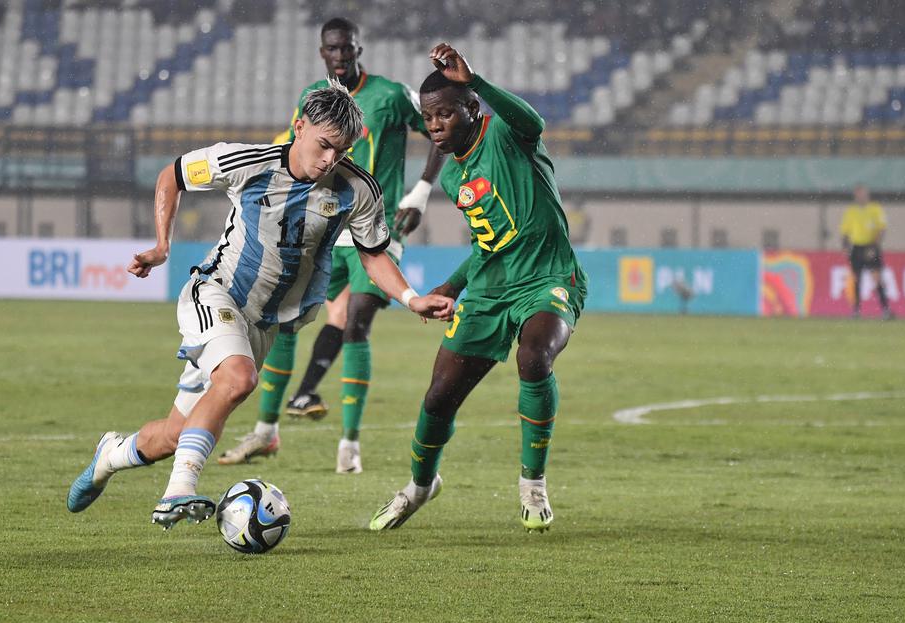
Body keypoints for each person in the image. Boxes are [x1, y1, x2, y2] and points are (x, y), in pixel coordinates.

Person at [65, 83, 454, 530]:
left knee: (176, 434)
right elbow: (172, 174)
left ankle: (110, 455)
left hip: (264, 323)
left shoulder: (358, 189)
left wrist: (410, 298)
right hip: (215, 293)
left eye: (342, 151)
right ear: (300, 126)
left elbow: (373, 251)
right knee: (239, 378)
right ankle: (178, 492)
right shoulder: (247, 161)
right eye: (324, 145)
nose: (330, 160)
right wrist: (161, 245)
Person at [369, 43, 587, 533]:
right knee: (438, 397)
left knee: (533, 356)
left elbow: (534, 121)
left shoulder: (509, 135)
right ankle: (420, 486)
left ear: (471, 109)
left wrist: (477, 80)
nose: (435, 125)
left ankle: (533, 484)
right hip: (491, 289)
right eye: (428, 117)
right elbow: (490, 243)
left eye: (446, 113)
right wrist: (450, 285)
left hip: (549, 277)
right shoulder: (453, 176)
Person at [218, 17, 445, 474]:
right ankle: (265, 432)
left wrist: (420, 192)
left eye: (348, 47)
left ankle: (350, 444)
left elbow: (442, 131)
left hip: (375, 226)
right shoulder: (311, 100)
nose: (340, 55)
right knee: (283, 322)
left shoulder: (390, 96)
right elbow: (293, 151)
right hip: (319, 226)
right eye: (332, 49)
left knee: (357, 319)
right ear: (323, 53)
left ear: (359, 49)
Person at [839, 184, 894, 320]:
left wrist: (874, 247)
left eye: (863, 193)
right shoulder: (851, 211)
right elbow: (845, 232)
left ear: (867, 194)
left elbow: (881, 229)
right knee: (857, 279)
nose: (861, 196)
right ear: (856, 195)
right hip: (856, 247)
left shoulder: (875, 209)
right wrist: (845, 247)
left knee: (876, 278)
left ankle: (885, 310)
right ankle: (856, 311)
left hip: (871, 246)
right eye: (858, 194)